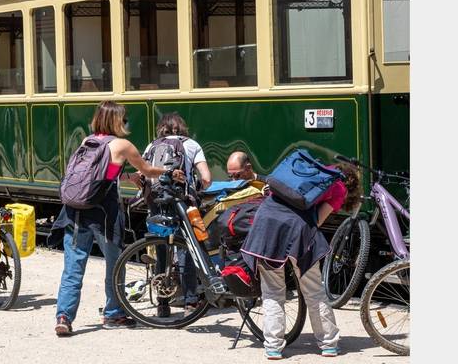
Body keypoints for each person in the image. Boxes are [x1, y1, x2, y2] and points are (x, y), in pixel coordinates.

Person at [53, 101, 182, 337]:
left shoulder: (88, 141)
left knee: (73, 266)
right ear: (117, 121)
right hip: (104, 215)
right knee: (115, 265)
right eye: (124, 119)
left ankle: (64, 316)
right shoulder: (122, 145)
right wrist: (170, 172)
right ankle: (113, 314)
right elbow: (148, 170)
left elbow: (102, 173)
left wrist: (127, 176)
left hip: (75, 211)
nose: (126, 123)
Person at [240, 162, 361, 360]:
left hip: (267, 224)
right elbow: (317, 221)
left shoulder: (307, 173)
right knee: (314, 290)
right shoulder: (338, 187)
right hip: (299, 230)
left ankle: (273, 347)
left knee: (272, 291)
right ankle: (328, 344)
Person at [139, 112, 212, 314]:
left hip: (157, 202)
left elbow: (142, 174)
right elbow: (206, 178)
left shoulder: (152, 145)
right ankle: (190, 301)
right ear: (182, 127)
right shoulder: (192, 145)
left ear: (161, 128)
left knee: (161, 247)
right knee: (186, 248)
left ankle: (163, 305)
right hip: (182, 201)